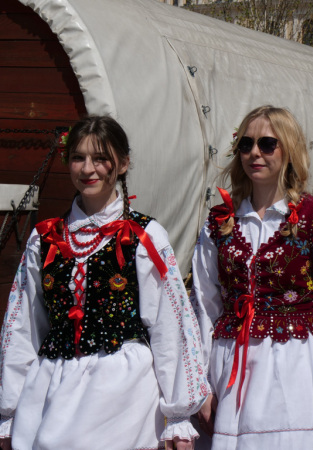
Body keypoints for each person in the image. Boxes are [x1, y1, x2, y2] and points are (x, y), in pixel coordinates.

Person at [0, 116, 209, 450]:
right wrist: (10, 408)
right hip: (52, 386)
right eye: (78, 158)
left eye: (100, 158)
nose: (88, 169)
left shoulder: (143, 236)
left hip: (121, 391)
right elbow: (23, 325)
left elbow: (169, 324)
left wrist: (178, 415)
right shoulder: (45, 238)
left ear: (123, 164)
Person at [190, 105, 313, 449]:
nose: (254, 153)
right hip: (230, 365)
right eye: (246, 144)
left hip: (294, 368)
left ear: (289, 149)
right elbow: (203, 307)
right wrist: (200, 385)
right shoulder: (219, 222)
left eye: (267, 144)